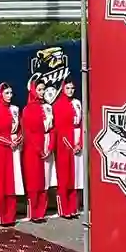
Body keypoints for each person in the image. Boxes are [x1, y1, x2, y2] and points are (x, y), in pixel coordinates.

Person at [0, 84, 24, 227]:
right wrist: (9, 142)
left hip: (13, 149)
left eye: (11, 93)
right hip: (0, 150)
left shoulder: (15, 109)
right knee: (1, 183)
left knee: (13, 182)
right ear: (0, 94)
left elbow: (21, 129)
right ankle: (2, 216)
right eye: (6, 93)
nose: (9, 96)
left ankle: (11, 216)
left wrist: (17, 140)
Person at [20, 80, 53, 224]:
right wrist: (39, 149)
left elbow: (53, 128)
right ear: (33, 91)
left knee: (45, 180)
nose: (42, 92)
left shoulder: (48, 107)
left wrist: (50, 147)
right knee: (34, 180)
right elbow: (27, 132)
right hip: (33, 148)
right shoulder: (27, 109)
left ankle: (41, 212)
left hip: (46, 144)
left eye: (43, 89)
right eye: (39, 89)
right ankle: (33, 212)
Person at [52, 80, 84, 219]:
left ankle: (73, 208)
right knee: (65, 176)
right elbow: (59, 128)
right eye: (68, 88)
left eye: (72, 88)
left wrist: (80, 143)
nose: (70, 90)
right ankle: (63, 209)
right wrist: (70, 144)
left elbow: (82, 124)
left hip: (77, 140)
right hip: (65, 143)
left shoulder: (77, 102)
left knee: (75, 177)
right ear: (63, 89)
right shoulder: (58, 105)